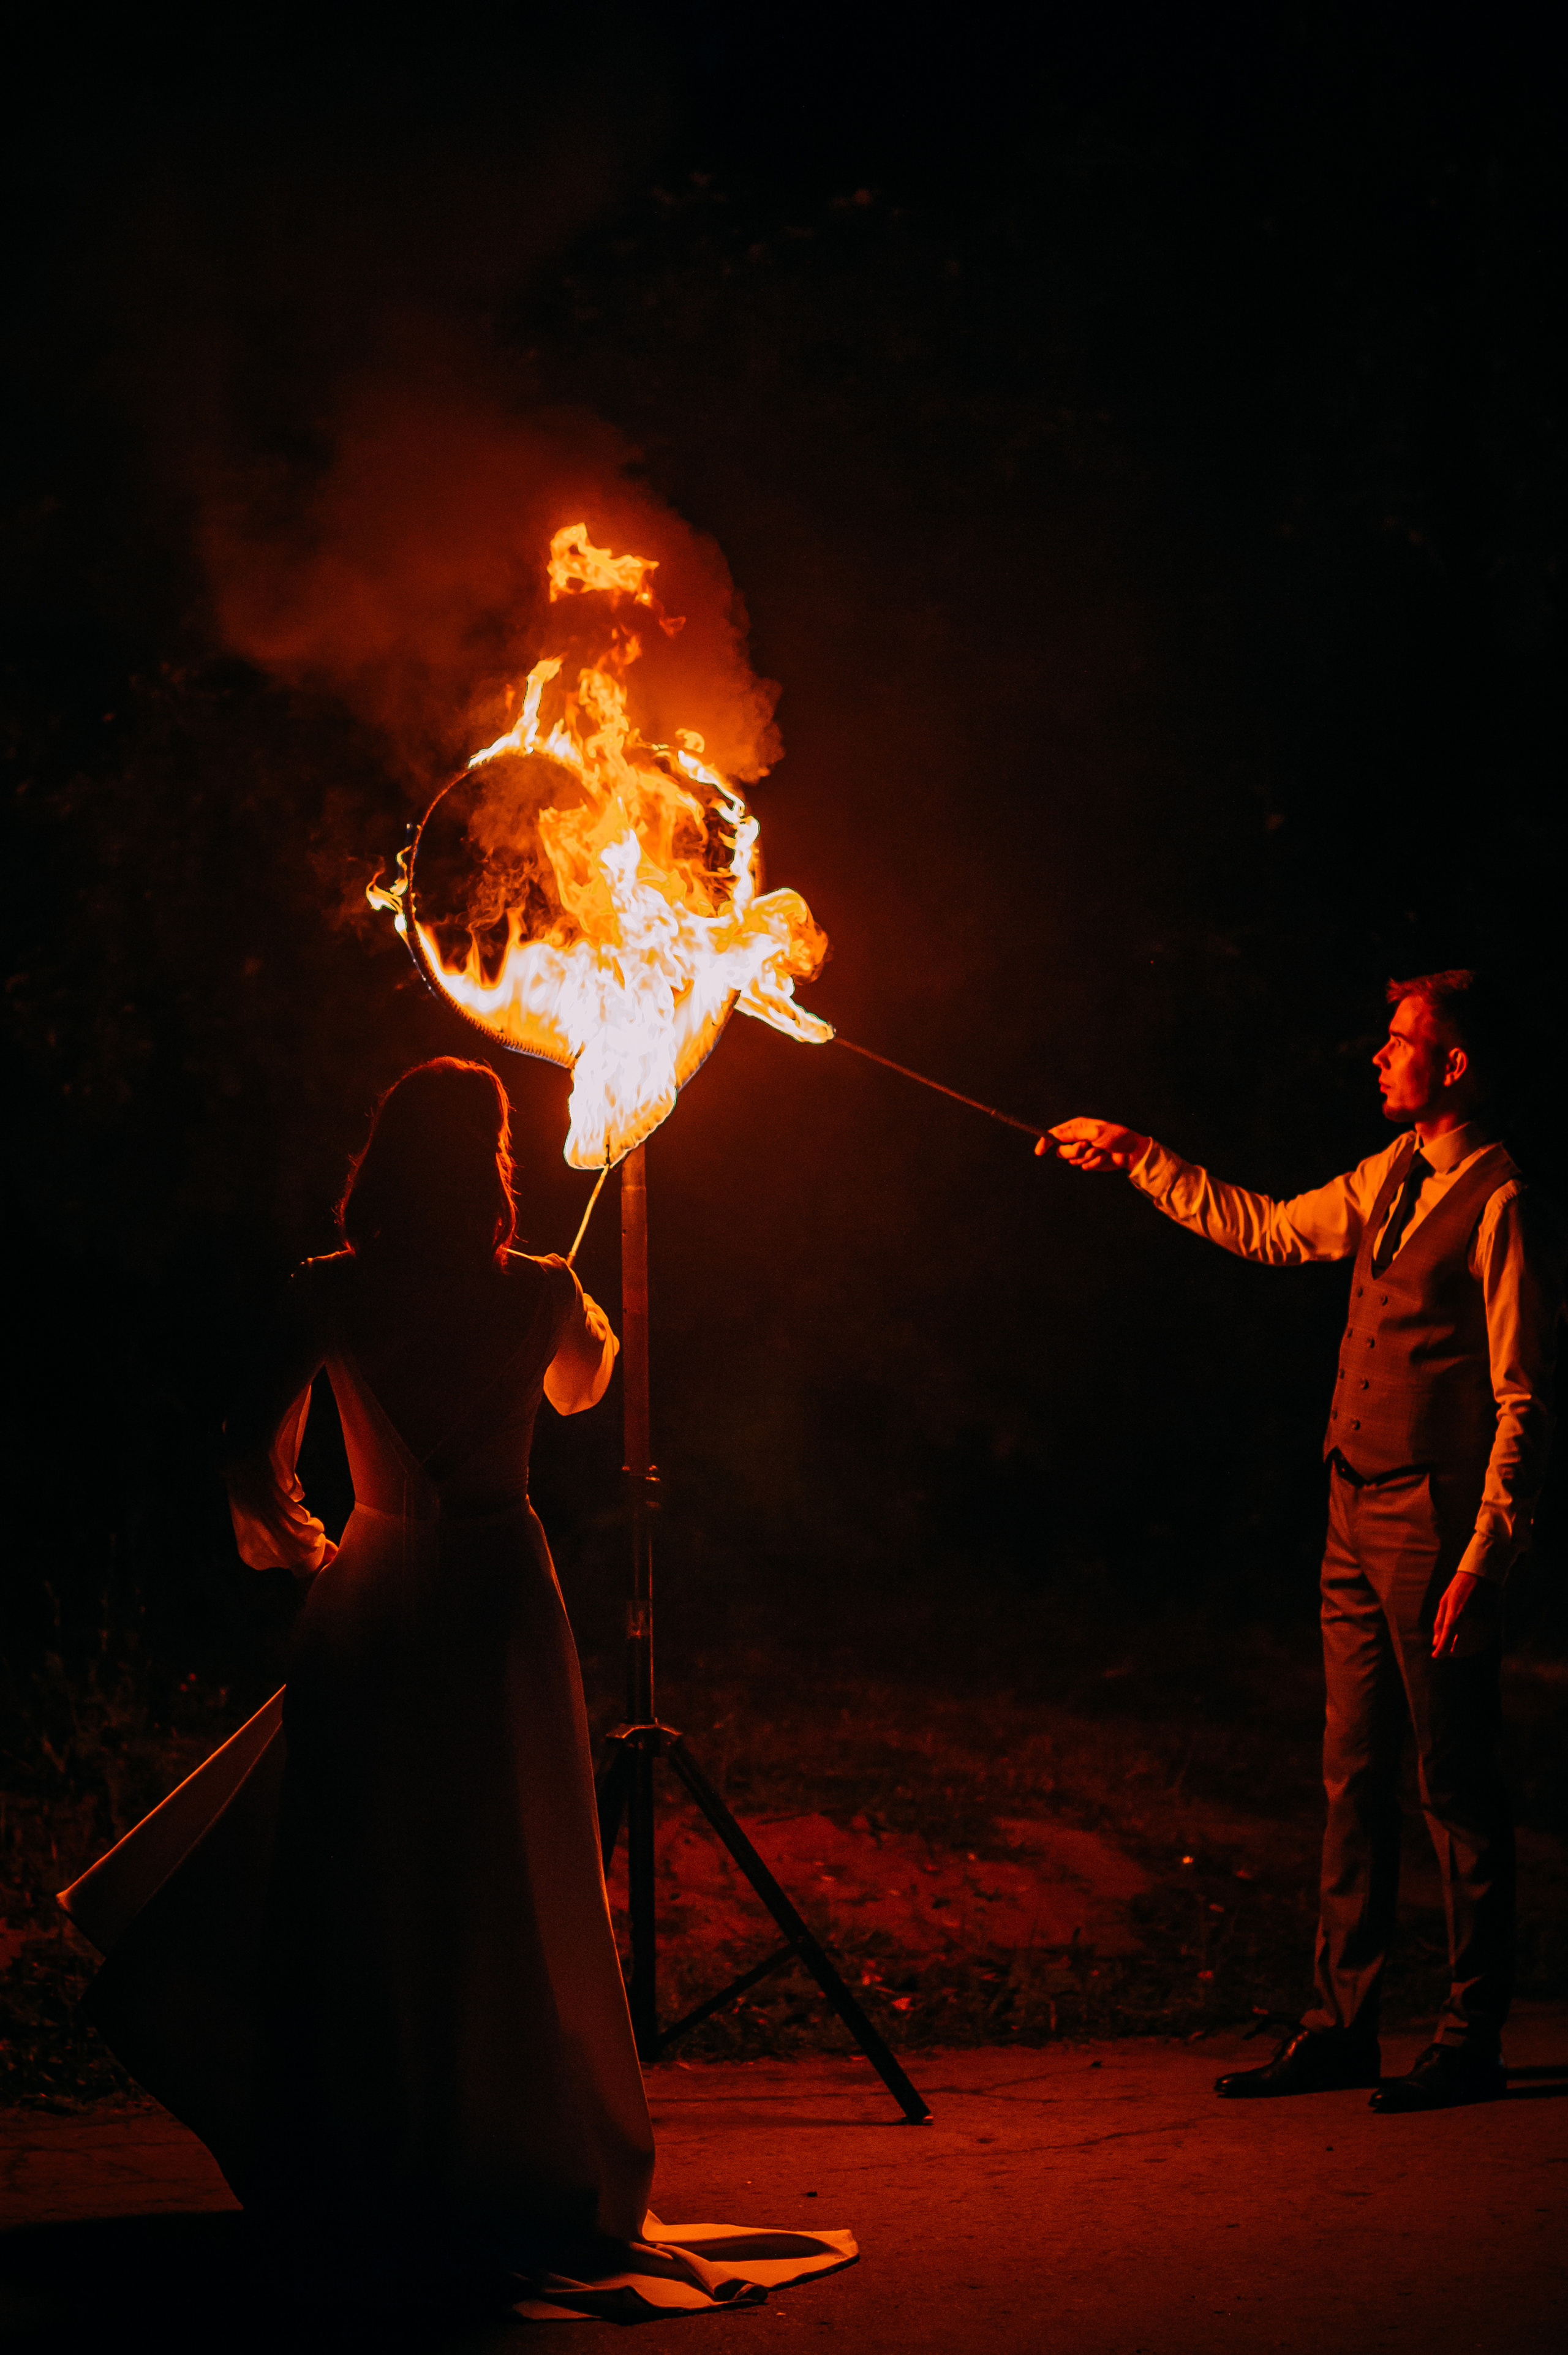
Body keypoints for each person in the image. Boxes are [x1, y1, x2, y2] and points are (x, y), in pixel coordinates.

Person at [59, 1060, 854, 2319]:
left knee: (366, 1882)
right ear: (489, 1165)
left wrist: (299, 1538)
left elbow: (239, 1440)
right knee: (505, 1871)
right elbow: (580, 1389)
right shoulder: (540, 1290)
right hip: (497, 1596)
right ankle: (508, 2144)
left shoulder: (328, 1293)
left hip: (374, 1592)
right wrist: (573, 1309)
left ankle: (369, 2158)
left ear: (382, 1159)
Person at [1046, 972, 1563, 2113]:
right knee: (1352, 1774)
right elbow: (1272, 1228)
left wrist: (1488, 1553)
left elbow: (1526, 1397)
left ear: (1455, 1065)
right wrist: (1142, 1156)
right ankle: (1342, 2026)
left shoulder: (1501, 1197)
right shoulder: (1387, 1174)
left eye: (1399, 1042)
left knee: (1457, 1785)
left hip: (1434, 1522)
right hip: (1349, 1500)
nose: (1378, 1058)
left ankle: (1470, 2033)